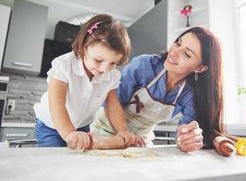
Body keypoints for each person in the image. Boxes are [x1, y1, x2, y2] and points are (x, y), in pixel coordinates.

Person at [90, 26, 235, 156]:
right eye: (178, 43)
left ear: (200, 68)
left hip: (140, 143)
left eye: (187, 54)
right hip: (104, 133)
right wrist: (124, 134)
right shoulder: (144, 66)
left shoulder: (190, 94)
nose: (174, 52)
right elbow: (112, 103)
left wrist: (186, 141)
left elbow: (183, 134)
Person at [34, 14, 143, 149]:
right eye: (98, 60)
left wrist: (123, 131)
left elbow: (113, 105)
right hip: (51, 127)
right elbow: (56, 104)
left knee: (81, 163)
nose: (104, 69)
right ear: (83, 47)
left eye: (113, 63)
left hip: (82, 128)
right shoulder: (64, 66)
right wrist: (69, 133)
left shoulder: (112, 75)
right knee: (56, 161)